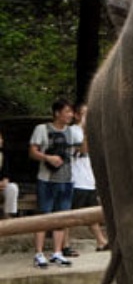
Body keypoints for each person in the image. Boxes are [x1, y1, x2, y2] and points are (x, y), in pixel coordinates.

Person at [29, 97, 83, 268]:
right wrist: (47, 157)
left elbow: (83, 150)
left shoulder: (73, 131)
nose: (70, 115)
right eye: (66, 111)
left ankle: (57, 252)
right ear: (57, 113)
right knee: (44, 215)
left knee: (62, 217)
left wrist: (87, 131)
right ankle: (38, 253)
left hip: (67, 180)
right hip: (47, 179)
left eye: (71, 112)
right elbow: (32, 152)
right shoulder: (42, 129)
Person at [70, 104, 108, 250]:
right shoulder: (73, 132)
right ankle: (64, 244)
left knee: (91, 213)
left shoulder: (94, 133)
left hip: (89, 179)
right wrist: (86, 132)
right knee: (71, 215)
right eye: (85, 114)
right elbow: (82, 150)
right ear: (77, 116)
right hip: (76, 179)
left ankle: (101, 241)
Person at [0, 130, 18, 219]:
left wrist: (5, 180)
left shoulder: (4, 155)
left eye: (1, 138)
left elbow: (7, 172)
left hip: (1, 186)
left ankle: (8, 214)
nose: (1, 140)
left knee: (12, 187)